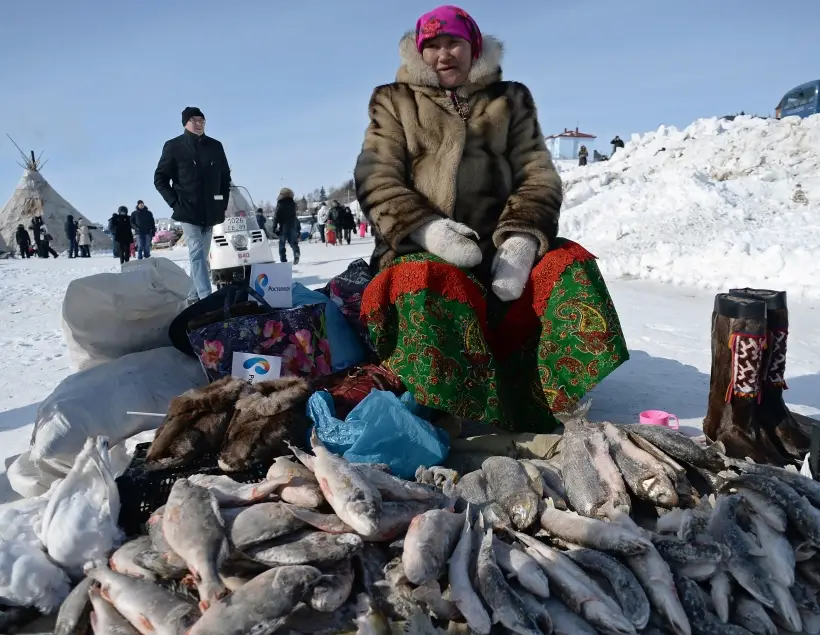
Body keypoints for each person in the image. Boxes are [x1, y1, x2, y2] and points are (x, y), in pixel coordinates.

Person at [354, 5, 628, 433]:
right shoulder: (393, 100)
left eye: (455, 43)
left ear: (474, 47)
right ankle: (451, 406)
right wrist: (430, 230)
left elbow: (538, 171)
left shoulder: (510, 98)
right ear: (419, 53)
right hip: (420, 249)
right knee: (424, 279)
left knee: (569, 264)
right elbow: (376, 175)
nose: (444, 54)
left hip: (498, 251)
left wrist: (520, 241)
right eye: (433, 45)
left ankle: (546, 394)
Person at [154, 106, 231, 303]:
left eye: (202, 120)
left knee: (201, 258)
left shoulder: (215, 146)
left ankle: (192, 299)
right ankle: (207, 301)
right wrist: (175, 203)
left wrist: (222, 203)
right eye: (194, 120)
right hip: (187, 210)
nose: (199, 124)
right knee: (197, 253)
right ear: (185, 123)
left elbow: (224, 176)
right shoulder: (174, 146)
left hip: (211, 210)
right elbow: (160, 179)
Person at [273, 187, 300, 264]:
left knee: (282, 244)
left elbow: (276, 216)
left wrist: (274, 227)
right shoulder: (293, 204)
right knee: (293, 242)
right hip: (292, 226)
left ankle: (283, 260)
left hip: (283, 227)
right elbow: (295, 216)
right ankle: (296, 252)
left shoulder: (280, 204)